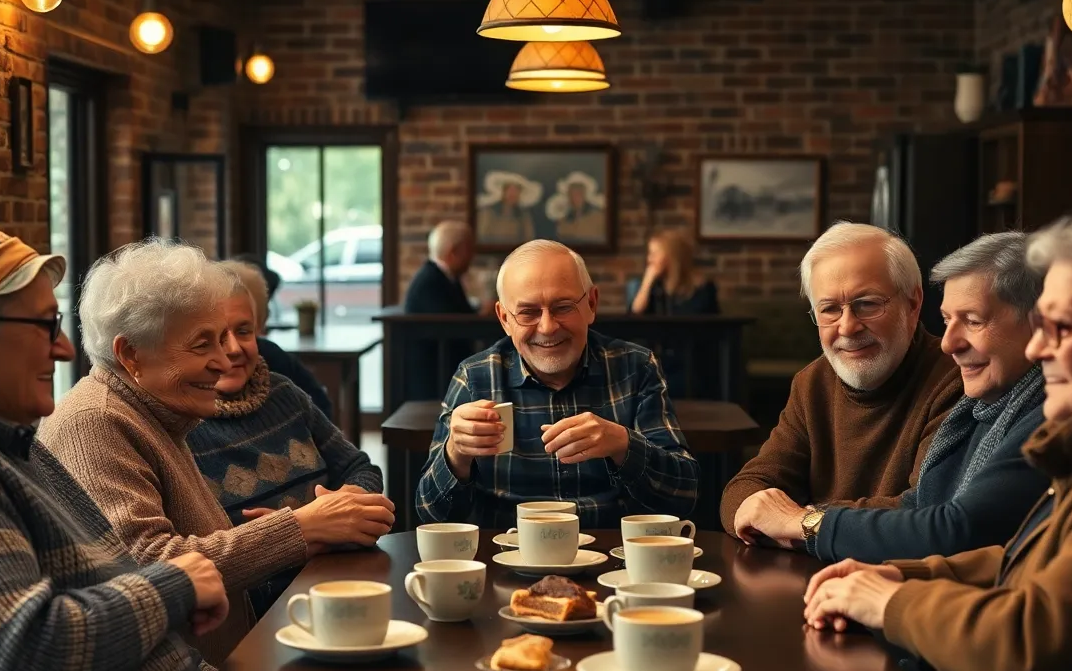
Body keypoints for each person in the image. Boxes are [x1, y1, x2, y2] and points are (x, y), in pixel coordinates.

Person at [802, 210, 1072, 671]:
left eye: (1061, 328)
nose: (1040, 350)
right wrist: (904, 575)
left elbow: (1027, 651)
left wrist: (889, 602)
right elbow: (1025, 560)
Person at [0, 222, 259, 671]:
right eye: (43, 326)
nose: (63, 350)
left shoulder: (11, 444)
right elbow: (25, 659)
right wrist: (177, 583)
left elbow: (116, 582)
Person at [37, 240, 395, 666]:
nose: (224, 362)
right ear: (130, 353)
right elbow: (151, 568)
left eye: (229, 337)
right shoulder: (95, 422)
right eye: (202, 343)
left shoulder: (158, 410)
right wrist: (301, 528)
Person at [738, 232, 1050, 562]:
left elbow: (953, 528)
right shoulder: (988, 405)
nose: (949, 343)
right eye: (947, 320)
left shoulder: (1039, 410)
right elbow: (924, 509)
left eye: (972, 321)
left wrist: (801, 523)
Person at [416, 239, 700, 529]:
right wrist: (456, 454)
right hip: (505, 558)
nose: (548, 327)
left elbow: (684, 495)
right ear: (504, 319)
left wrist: (623, 445)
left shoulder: (635, 367)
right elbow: (431, 514)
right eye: (528, 312)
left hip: (613, 558)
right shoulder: (476, 377)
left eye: (563, 307)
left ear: (591, 304)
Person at [722, 221, 962, 541]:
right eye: (830, 309)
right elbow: (744, 491)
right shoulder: (812, 384)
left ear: (912, 303)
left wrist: (798, 522)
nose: (847, 327)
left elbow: (922, 517)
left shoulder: (955, 381)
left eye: (867, 304)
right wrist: (780, 519)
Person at [187, 268, 388, 615]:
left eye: (244, 331)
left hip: (338, 583)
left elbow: (360, 468)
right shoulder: (184, 425)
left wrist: (340, 510)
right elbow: (210, 549)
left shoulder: (284, 393)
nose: (233, 349)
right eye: (218, 337)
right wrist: (306, 529)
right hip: (253, 614)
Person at [232, 252, 332, 416]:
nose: (232, 348)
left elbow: (320, 406)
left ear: (261, 322)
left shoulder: (274, 361)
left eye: (242, 331)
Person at [403, 222, 491, 401]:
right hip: (432, 377)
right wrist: (481, 315)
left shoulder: (446, 277)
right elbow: (452, 324)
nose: (472, 257)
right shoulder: (430, 281)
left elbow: (459, 312)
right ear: (453, 252)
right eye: (469, 250)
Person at [630, 228, 719, 315]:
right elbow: (635, 316)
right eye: (649, 254)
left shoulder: (702, 289)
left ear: (672, 258)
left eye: (654, 255)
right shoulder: (654, 287)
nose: (649, 260)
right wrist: (647, 283)